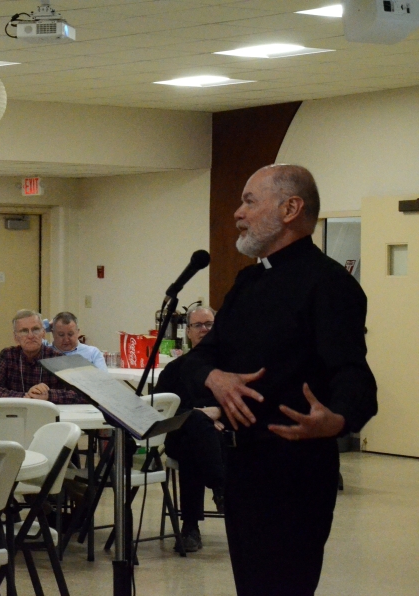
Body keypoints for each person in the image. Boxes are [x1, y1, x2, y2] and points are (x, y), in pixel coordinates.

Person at [182, 164, 377, 596]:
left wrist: (339, 420)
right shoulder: (249, 281)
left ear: (290, 208)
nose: (238, 213)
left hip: (294, 471)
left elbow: (354, 375)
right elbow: (196, 363)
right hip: (243, 468)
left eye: (249, 201)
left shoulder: (329, 285)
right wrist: (214, 377)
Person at [154, 305, 224, 552]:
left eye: (209, 324)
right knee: (194, 427)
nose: (204, 329)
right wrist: (201, 416)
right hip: (180, 432)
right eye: (198, 325)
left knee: (194, 446)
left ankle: (190, 528)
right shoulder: (175, 369)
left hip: (224, 434)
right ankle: (220, 487)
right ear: (189, 332)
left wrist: (219, 412)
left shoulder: (231, 366)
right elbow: (159, 408)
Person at [0, 309, 82, 403]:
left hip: (49, 415)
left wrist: (49, 395)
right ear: (15, 337)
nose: (30, 336)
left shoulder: (58, 358)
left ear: (43, 333)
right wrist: (25, 396)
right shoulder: (7, 356)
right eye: (24, 331)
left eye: (35, 330)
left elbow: (82, 394)